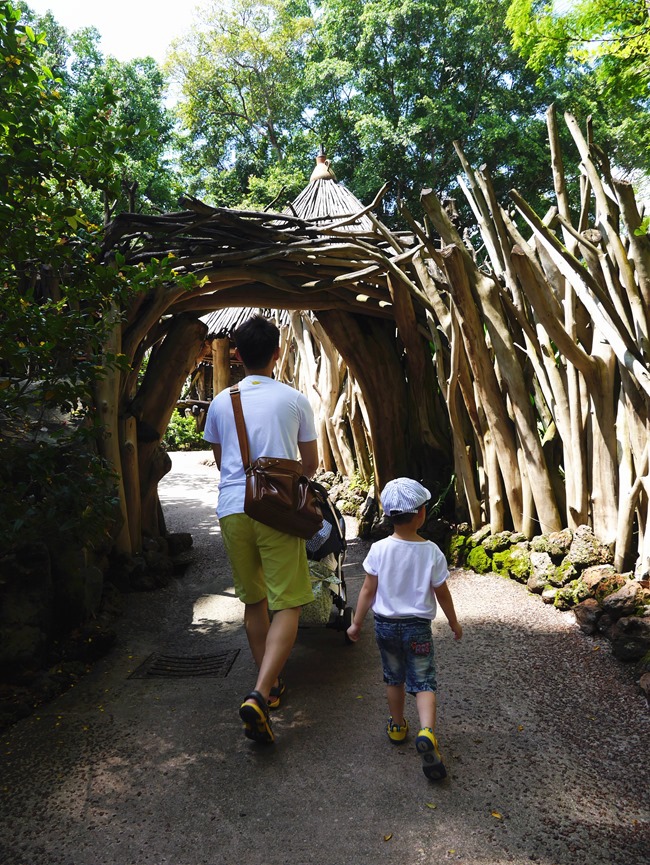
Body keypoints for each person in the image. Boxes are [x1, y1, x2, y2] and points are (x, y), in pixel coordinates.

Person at [203, 315, 319, 745]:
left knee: (254, 600)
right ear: (277, 353)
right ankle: (259, 690)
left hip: (233, 507)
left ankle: (269, 689)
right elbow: (310, 464)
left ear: (236, 354)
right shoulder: (294, 400)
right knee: (289, 602)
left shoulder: (220, 402)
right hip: (277, 509)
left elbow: (220, 460)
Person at [346, 477, 463, 780]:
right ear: (422, 514)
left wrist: (356, 622)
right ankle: (427, 731)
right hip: (418, 628)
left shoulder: (379, 550)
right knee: (424, 682)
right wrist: (452, 620)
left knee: (393, 677)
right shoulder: (432, 552)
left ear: (387, 515)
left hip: (385, 627)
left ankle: (397, 726)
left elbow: (367, 591)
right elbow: (442, 592)